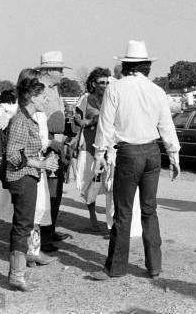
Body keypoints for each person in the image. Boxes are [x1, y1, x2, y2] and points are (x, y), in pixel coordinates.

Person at [90, 39, 181, 281]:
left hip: (128, 153)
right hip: (152, 152)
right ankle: (154, 265)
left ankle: (116, 267)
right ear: (147, 66)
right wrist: (174, 155)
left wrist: (100, 154)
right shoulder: (157, 91)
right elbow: (167, 125)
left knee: (124, 211)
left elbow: (105, 126)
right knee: (149, 210)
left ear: (126, 66)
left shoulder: (116, 88)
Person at [5, 77, 59, 291]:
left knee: (24, 224)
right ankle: (16, 275)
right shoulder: (21, 120)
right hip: (22, 177)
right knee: (22, 225)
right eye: (43, 97)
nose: (46, 101)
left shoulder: (28, 118)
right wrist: (41, 163)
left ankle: (19, 271)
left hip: (28, 176)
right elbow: (12, 154)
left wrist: (44, 163)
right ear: (32, 97)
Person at [36, 51, 72, 252]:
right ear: (49, 70)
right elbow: (36, 124)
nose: (61, 74)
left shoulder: (54, 89)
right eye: (59, 69)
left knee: (55, 193)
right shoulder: (40, 90)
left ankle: (50, 230)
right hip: (45, 149)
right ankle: (44, 237)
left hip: (55, 148)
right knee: (48, 194)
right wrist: (51, 143)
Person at [73, 67, 112, 231]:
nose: (105, 85)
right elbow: (76, 117)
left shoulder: (112, 98)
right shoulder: (86, 99)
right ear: (93, 83)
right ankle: (92, 215)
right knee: (91, 181)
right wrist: (89, 122)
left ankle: (112, 220)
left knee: (110, 183)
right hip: (89, 145)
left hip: (108, 146)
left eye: (107, 82)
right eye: (101, 82)